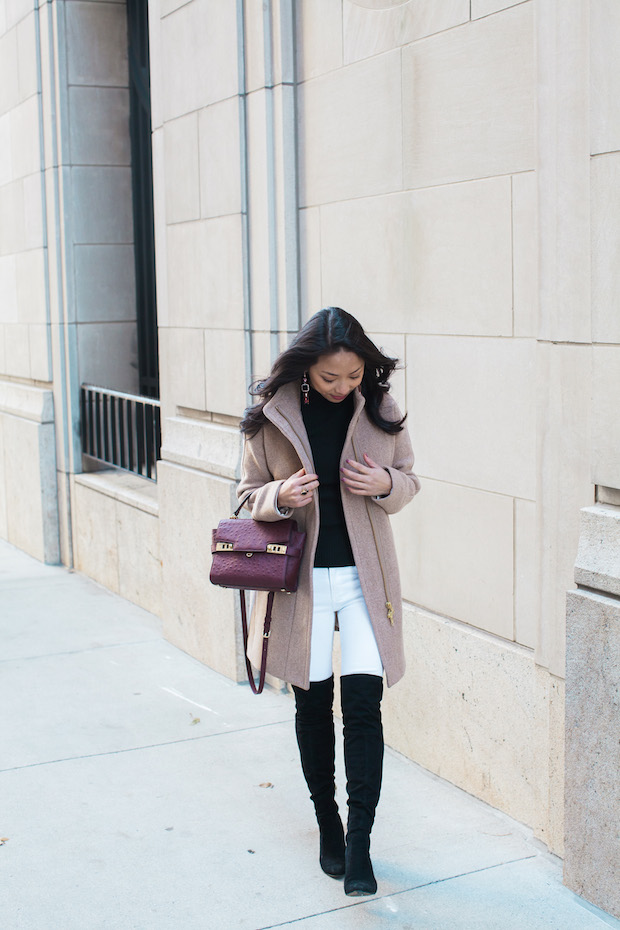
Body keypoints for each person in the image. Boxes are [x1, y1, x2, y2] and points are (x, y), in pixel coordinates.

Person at [237, 307, 420, 896]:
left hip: (368, 584)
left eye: (354, 375)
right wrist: (280, 494)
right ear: (306, 369)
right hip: (304, 585)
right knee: (313, 709)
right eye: (331, 378)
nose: (345, 387)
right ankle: (328, 826)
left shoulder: (381, 409)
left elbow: (410, 479)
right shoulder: (273, 416)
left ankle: (361, 844)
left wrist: (386, 485)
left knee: (364, 709)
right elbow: (243, 500)